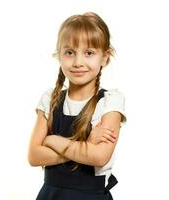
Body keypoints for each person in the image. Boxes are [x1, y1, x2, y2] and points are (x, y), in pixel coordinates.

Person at [28, 11, 127, 200]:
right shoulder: (51, 99)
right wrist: (85, 146)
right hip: (51, 195)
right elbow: (34, 155)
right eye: (69, 53)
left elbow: (99, 156)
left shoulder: (110, 102)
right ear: (59, 55)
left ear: (105, 57)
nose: (78, 62)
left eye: (89, 53)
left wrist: (54, 141)